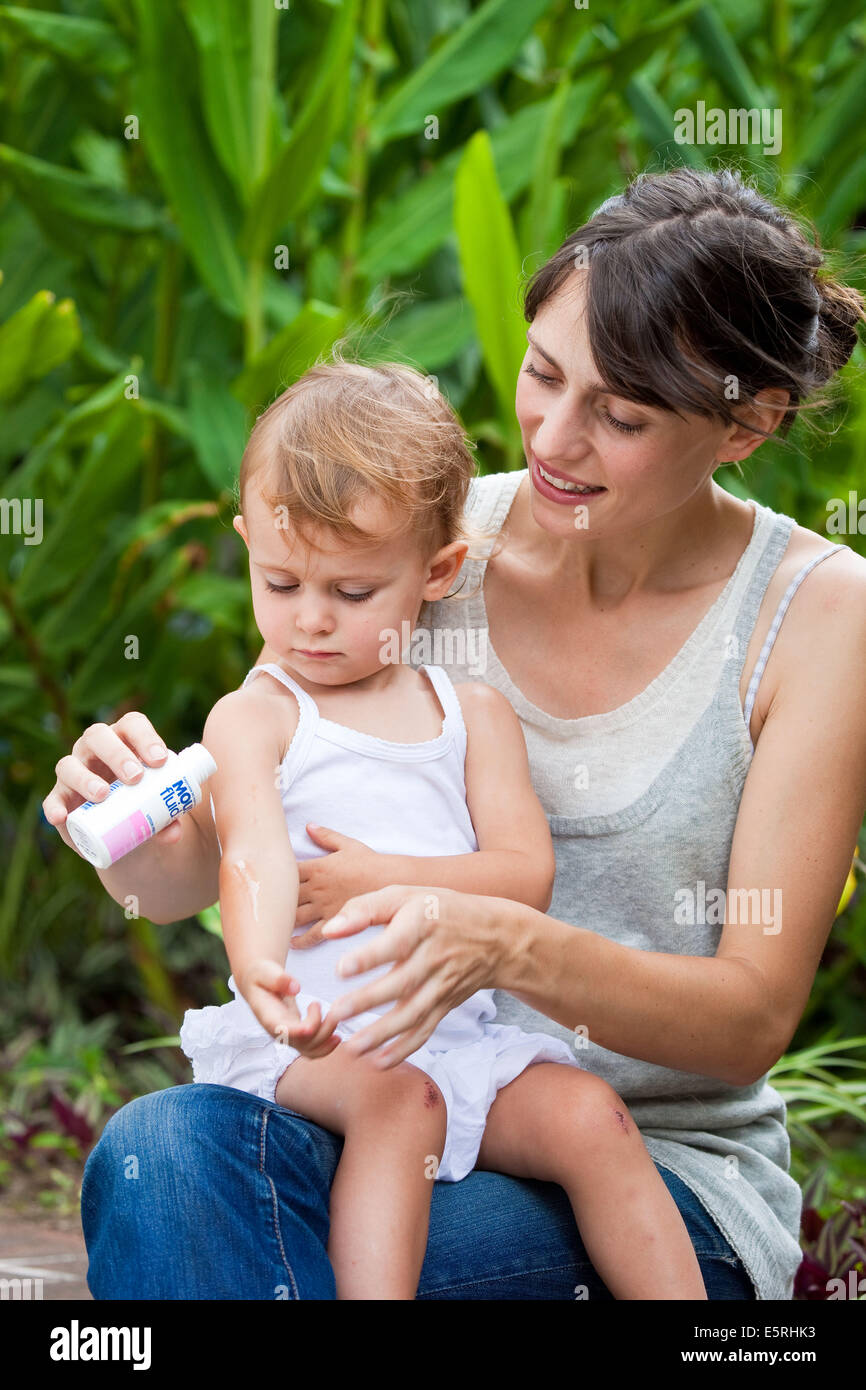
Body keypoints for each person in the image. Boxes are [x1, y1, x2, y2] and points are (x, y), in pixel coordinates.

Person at [46, 166, 866, 1300]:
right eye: (540, 374)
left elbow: (744, 1023)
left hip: (642, 1171)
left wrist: (497, 940)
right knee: (163, 1158)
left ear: (747, 422)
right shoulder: (399, 541)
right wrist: (132, 828)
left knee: (325, 1262)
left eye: (620, 415)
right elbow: (235, 857)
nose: (555, 438)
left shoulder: (817, 616)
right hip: (377, 1100)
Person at [174, 360, 707, 1299]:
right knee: (399, 1106)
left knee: (592, 1118)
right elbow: (252, 850)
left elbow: (523, 878)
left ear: (438, 574)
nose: (309, 623)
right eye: (280, 580)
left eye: (351, 594)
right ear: (248, 544)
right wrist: (262, 973)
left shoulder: (470, 719)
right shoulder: (258, 715)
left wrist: (390, 875)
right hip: (319, 1040)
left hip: (461, 1043)